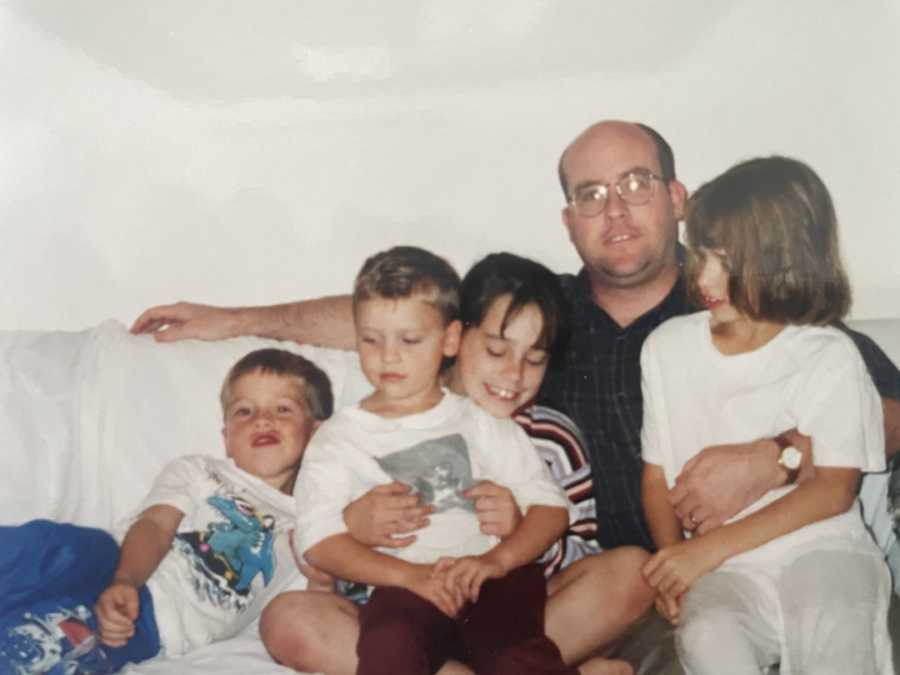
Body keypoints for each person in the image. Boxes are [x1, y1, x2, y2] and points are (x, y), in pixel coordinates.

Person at [129, 120, 900, 554]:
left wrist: (782, 453)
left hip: (719, 572)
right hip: (570, 577)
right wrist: (233, 321)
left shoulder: (746, 300)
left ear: (676, 198)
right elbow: (395, 316)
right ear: (569, 222)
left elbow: (883, 403)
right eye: (590, 195)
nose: (616, 210)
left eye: (636, 184)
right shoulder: (536, 317)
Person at [260, 252, 648, 675]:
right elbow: (317, 541)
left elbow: (562, 524)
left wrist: (511, 539)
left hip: (501, 590)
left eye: (534, 360)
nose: (512, 374)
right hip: (402, 592)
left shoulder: (526, 433)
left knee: (618, 581)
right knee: (305, 623)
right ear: (458, 339)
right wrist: (357, 528)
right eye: (496, 350)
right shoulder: (343, 435)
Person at [640, 156, 893, 673]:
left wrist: (702, 552)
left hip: (823, 549)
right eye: (702, 254)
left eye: (727, 261)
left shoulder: (827, 353)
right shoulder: (665, 348)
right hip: (726, 569)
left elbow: (832, 490)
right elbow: (656, 474)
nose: (705, 277)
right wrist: (675, 565)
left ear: (785, 262)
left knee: (832, 625)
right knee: (709, 636)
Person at [0, 348, 333, 674]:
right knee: (46, 547)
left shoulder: (313, 527)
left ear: (317, 433)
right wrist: (125, 579)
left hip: (154, 622)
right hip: (114, 560)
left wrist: (323, 578)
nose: (262, 420)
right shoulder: (201, 471)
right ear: (226, 437)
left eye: (283, 409)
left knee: (41, 644)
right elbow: (156, 525)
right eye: (244, 411)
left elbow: (310, 611)